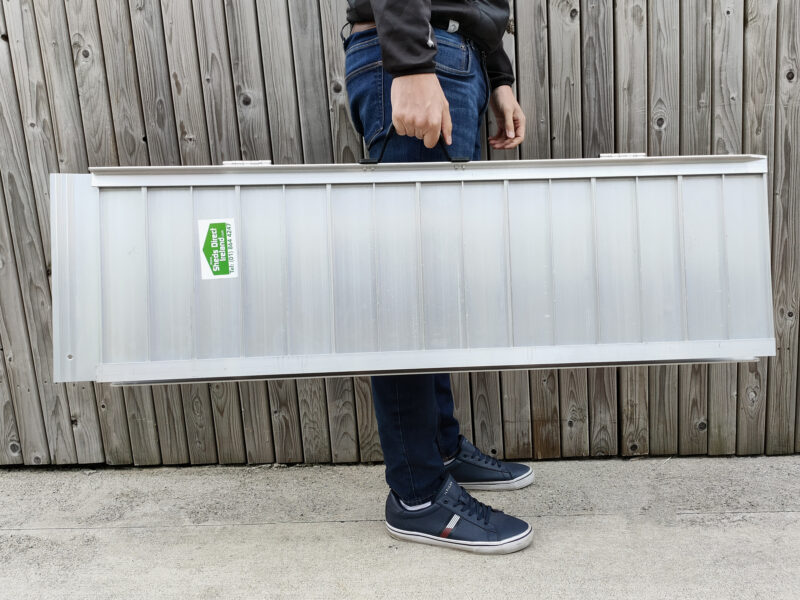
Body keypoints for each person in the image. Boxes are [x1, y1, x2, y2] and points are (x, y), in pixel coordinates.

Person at [342, 0, 531, 554]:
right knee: (406, 286)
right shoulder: (410, 61)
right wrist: (409, 64)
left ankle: (442, 449)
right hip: (417, 55)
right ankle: (418, 495)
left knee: (433, 283)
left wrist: (497, 76)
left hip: (452, 56)